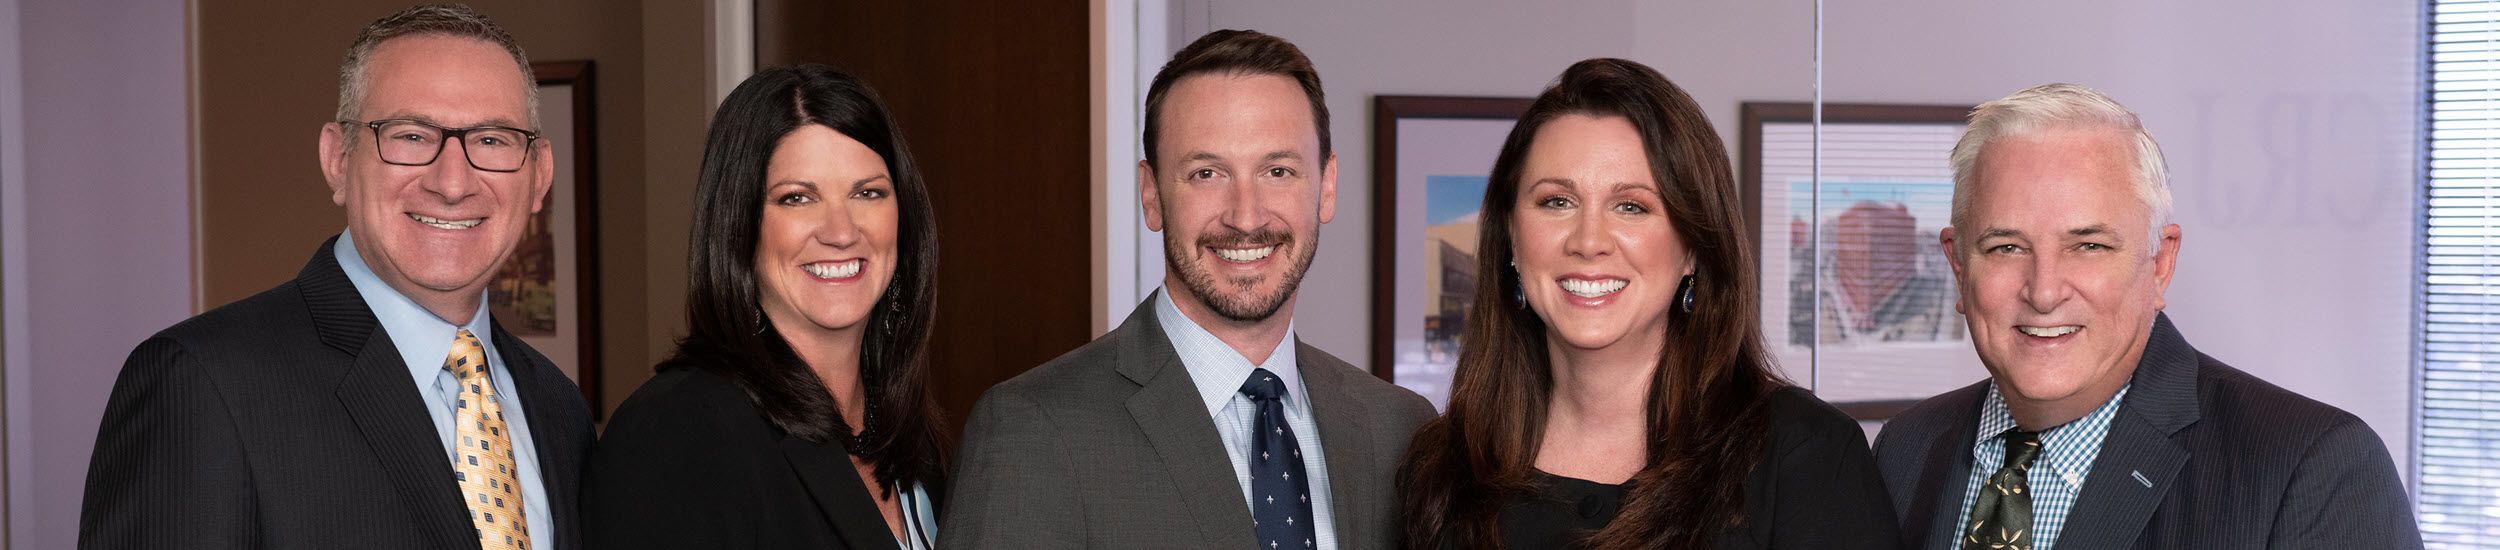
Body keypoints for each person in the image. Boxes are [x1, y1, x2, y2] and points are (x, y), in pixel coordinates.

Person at [77, 5, 592, 549]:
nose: (452, 183)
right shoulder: (203, 384)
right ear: (337, 159)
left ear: (539, 176)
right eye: (411, 136)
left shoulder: (559, 408)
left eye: (491, 140)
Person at [1871, 83, 2423, 549]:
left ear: (2160, 263)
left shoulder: (2312, 467)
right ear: (1958, 266)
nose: (2044, 292)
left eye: (2089, 246)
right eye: (2006, 247)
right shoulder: (1906, 448)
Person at [942, 29, 1435, 550]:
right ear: (1151, 194)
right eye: (1206, 173)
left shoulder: (1401, 430)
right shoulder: (1032, 430)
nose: (1246, 217)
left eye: (1277, 170)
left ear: (1326, 185)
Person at [1394, 58, 1900, 549]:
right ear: (1510, 233)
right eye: (1557, 201)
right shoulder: (1440, 468)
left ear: (1694, 246)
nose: (1589, 241)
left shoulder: (1804, 455)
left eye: (1631, 206)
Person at [584, 64, 949, 549]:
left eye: (868, 193)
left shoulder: (912, 440)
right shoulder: (676, 431)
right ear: (739, 225)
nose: (841, 232)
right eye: (797, 198)